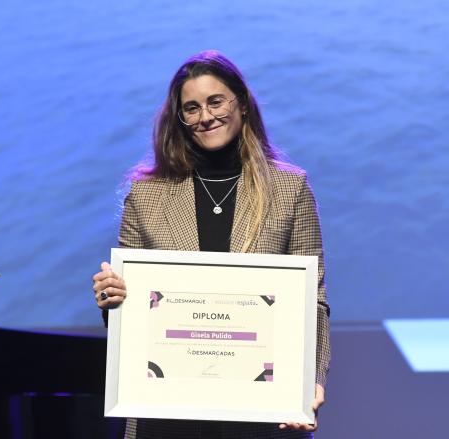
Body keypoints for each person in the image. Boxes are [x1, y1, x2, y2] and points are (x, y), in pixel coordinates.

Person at [92, 50, 330, 439]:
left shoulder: (290, 190)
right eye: (191, 108)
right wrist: (112, 298)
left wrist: (310, 379)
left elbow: (312, 300)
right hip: (167, 408)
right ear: (180, 119)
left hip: (261, 407)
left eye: (215, 101)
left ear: (242, 104)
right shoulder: (146, 196)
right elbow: (129, 314)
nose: (206, 116)